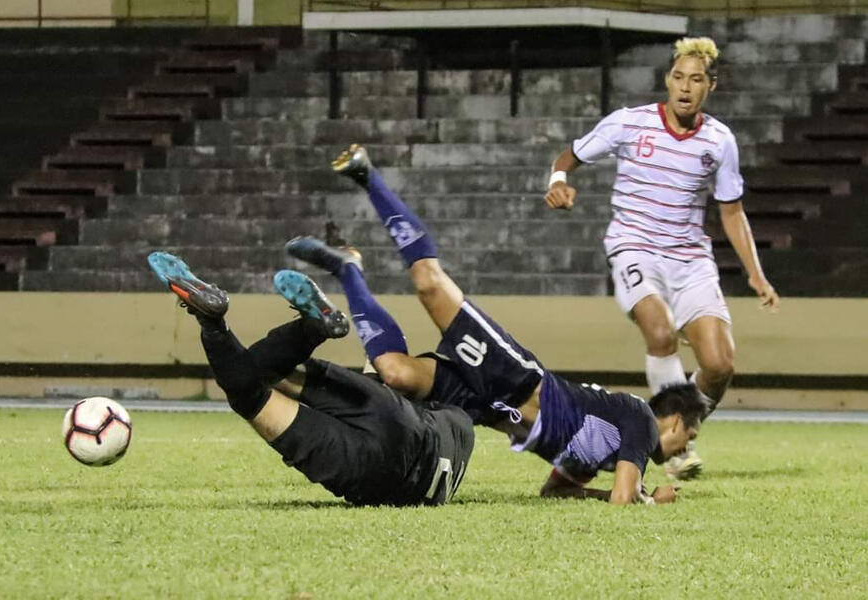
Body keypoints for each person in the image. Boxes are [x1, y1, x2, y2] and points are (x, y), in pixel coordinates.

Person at [285, 144, 710, 505]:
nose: (683, 448)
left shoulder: (603, 449)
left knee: (394, 372)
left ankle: (348, 272)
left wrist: (609, 491)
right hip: (512, 378)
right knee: (429, 283)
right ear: (672, 422)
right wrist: (652, 499)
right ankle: (368, 176)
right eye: (687, 437)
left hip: (488, 407)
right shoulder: (639, 421)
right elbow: (624, 498)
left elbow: (557, 492)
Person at [544, 37, 780, 479]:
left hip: (689, 259)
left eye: (695, 80)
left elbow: (732, 212)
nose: (685, 88)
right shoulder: (631, 124)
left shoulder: (719, 141)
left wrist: (756, 275)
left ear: (711, 86)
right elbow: (569, 156)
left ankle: (672, 430)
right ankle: (672, 451)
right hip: (634, 248)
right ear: (667, 81)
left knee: (720, 364)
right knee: (661, 333)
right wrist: (558, 181)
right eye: (677, 78)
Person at [146, 251, 475, 507]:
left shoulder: (455, 420)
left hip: (392, 416)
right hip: (372, 473)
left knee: (264, 374)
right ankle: (211, 321)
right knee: (247, 395)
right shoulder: (463, 429)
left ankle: (311, 328)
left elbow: (393, 374)